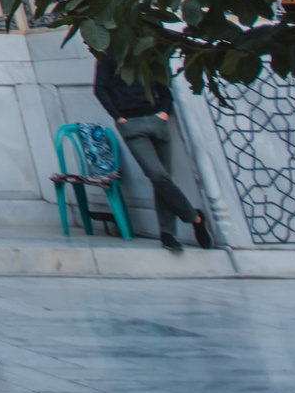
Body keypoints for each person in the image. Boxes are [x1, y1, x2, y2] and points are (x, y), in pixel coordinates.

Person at [90, 51, 211, 253]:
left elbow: (163, 86)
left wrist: (164, 112)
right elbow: (100, 89)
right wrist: (119, 117)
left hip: (157, 120)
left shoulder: (148, 52)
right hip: (131, 124)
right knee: (158, 175)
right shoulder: (108, 55)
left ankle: (168, 234)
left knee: (163, 179)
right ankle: (194, 217)